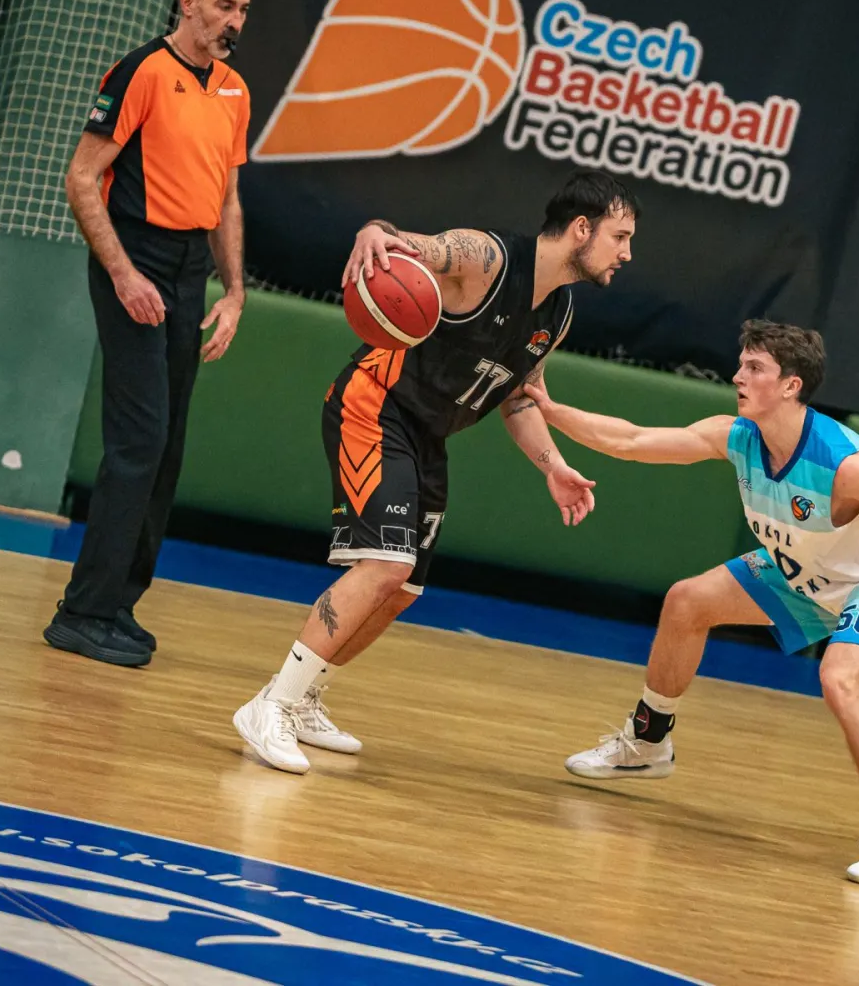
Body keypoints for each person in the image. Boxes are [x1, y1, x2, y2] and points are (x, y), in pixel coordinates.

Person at [525, 319, 859, 889]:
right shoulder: (737, 436)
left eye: (754, 368)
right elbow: (631, 441)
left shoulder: (845, 463)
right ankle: (648, 743)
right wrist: (551, 410)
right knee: (688, 601)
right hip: (807, 564)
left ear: (790, 385)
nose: (737, 376)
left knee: (839, 679)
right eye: (741, 364)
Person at [232, 171, 640, 774]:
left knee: (402, 589)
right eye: (620, 236)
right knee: (386, 564)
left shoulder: (559, 314)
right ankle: (271, 706)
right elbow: (401, 243)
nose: (626, 253)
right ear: (581, 228)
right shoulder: (486, 259)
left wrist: (553, 466)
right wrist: (373, 230)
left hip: (428, 435)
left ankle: (306, 694)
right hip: (375, 405)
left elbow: (519, 399)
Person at [45, 0, 255, 668]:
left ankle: (118, 603)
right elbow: (82, 177)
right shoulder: (140, 71)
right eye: (224, 6)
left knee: (166, 448)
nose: (234, 22)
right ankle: (81, 612)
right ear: (188, 3)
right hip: (135, 258)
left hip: (191, 268)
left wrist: (234, 291)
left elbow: (226, 199)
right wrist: (124, 273)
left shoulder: (234, 90)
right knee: (138, 440)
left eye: (243, 10)